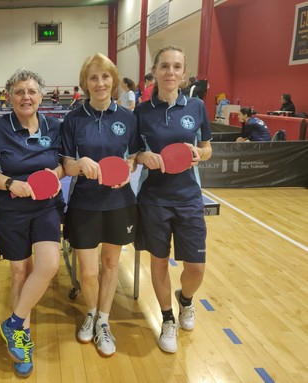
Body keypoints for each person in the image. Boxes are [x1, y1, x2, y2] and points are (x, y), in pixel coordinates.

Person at [0, 68, 64, 378]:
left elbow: (63, 166)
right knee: (19, 270)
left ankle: (13, 320)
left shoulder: (54, 126)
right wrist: (11, 183)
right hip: (11, 207)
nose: (26, 96)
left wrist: (55, 175)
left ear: (41, 96)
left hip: (45, 206)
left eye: (31, 91)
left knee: (49, 264)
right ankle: (21, 338)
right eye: (19, 92)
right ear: (9, 97)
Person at [133, 45, 212, 354]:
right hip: (154, 198)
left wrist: (199, 154)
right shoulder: (141, 111)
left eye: (176, 67)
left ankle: (186, 300)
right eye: (164, 66)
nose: (170, 72)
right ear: (155, 71)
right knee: (159, 260)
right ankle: (167, 317)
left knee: (196, 268)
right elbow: (132, 155)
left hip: (189, 196)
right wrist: (143, 156)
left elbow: (207, 148)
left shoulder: (196, 107)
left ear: (183, 73)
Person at [61, 53, 138, 358]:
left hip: (119, 201)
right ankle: (90, 311)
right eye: (93, 77)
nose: (100, 83)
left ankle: (103, 321)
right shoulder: (73, 119)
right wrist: (80, 163)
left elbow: (132, 157)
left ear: (113, 80)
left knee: (109, 264)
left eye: (105, 77)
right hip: (85, 203)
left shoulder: (128, 118)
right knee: (88, 270)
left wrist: (127, 169)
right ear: (85, 83)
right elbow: (66, 165)